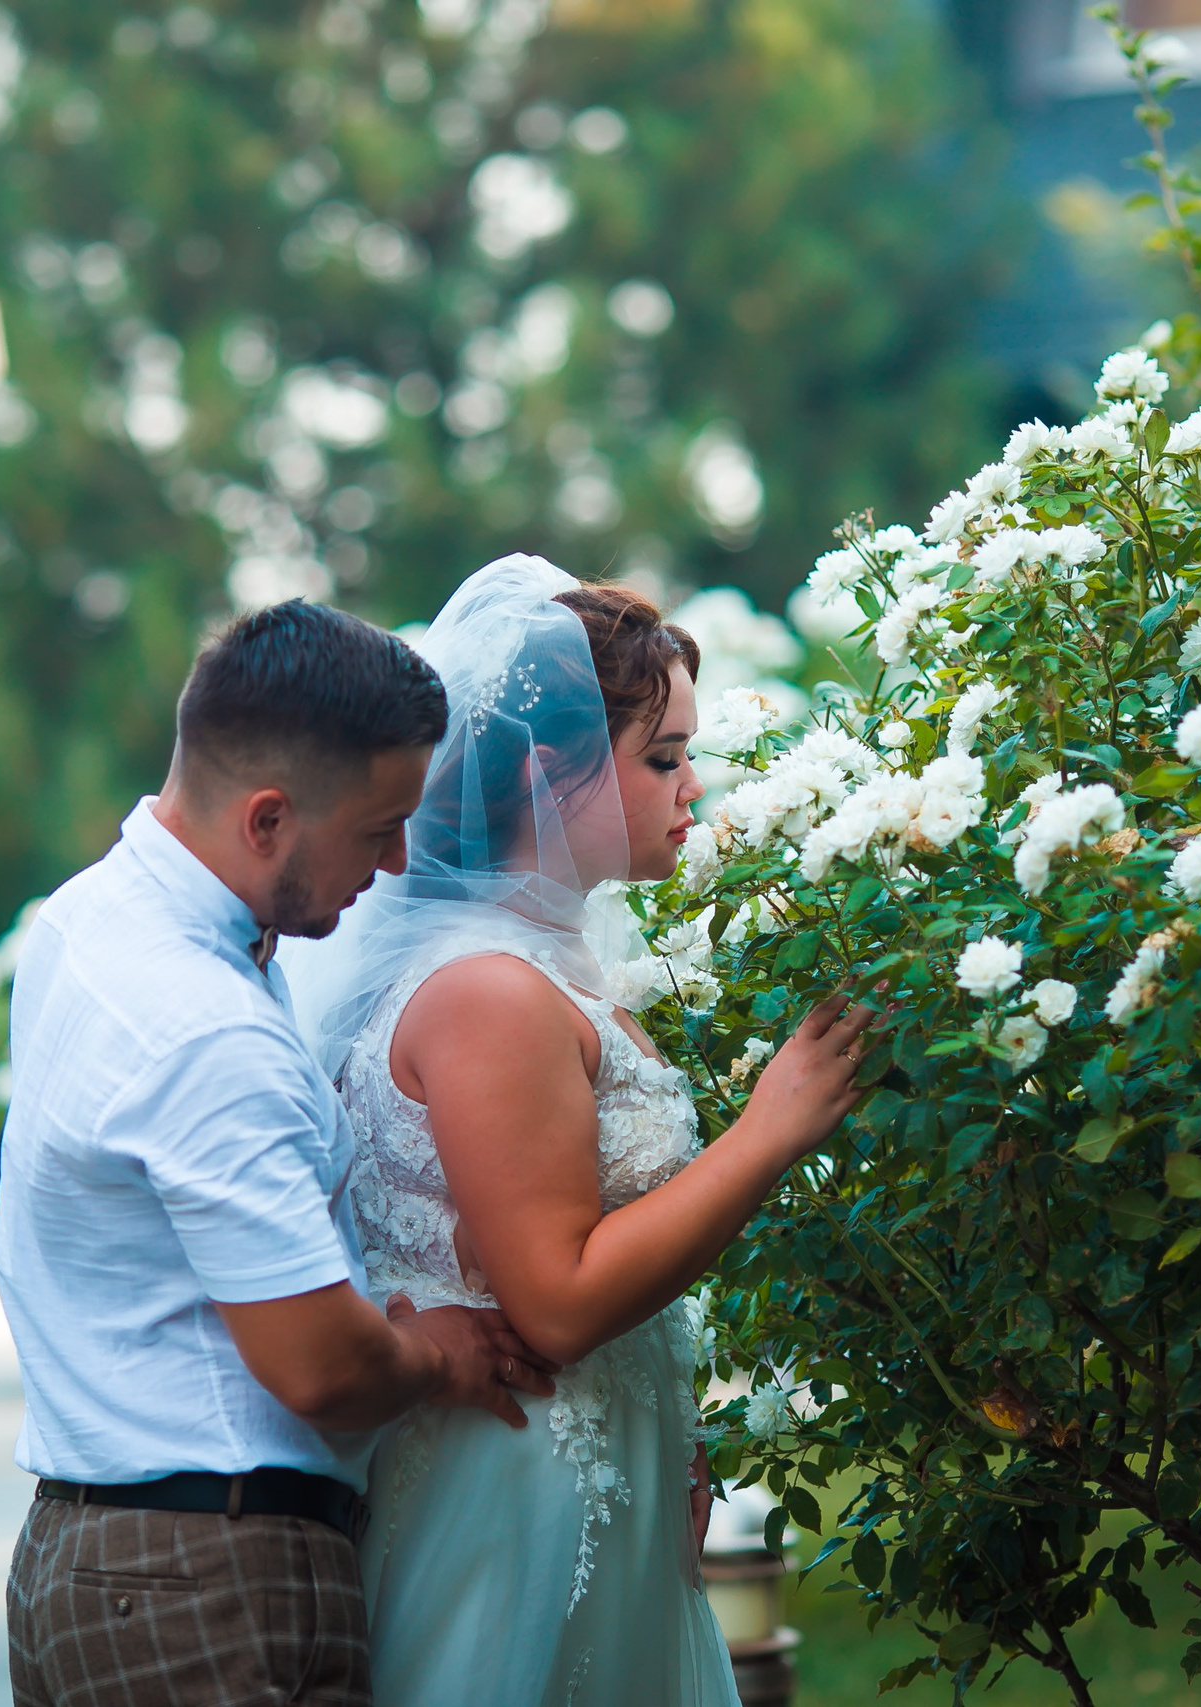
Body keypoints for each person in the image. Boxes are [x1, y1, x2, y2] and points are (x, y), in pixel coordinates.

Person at [285, 556, 876, 1707]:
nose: (690, 787)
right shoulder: (486, 994)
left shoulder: (561, 967)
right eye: (661, 759)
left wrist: (672, 1422)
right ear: (550, 773)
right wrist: (767, 1134)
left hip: (613, 1478)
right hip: (515, 1501)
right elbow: (554, 1302)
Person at [0, 599, 559, 1707]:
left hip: (97, 1554)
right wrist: (435, 1356)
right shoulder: (204, 1026)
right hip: (213, 1582)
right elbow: (322, 1368)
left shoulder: (83, 921)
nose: (399, 861)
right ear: (266, 819)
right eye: (376, 827)